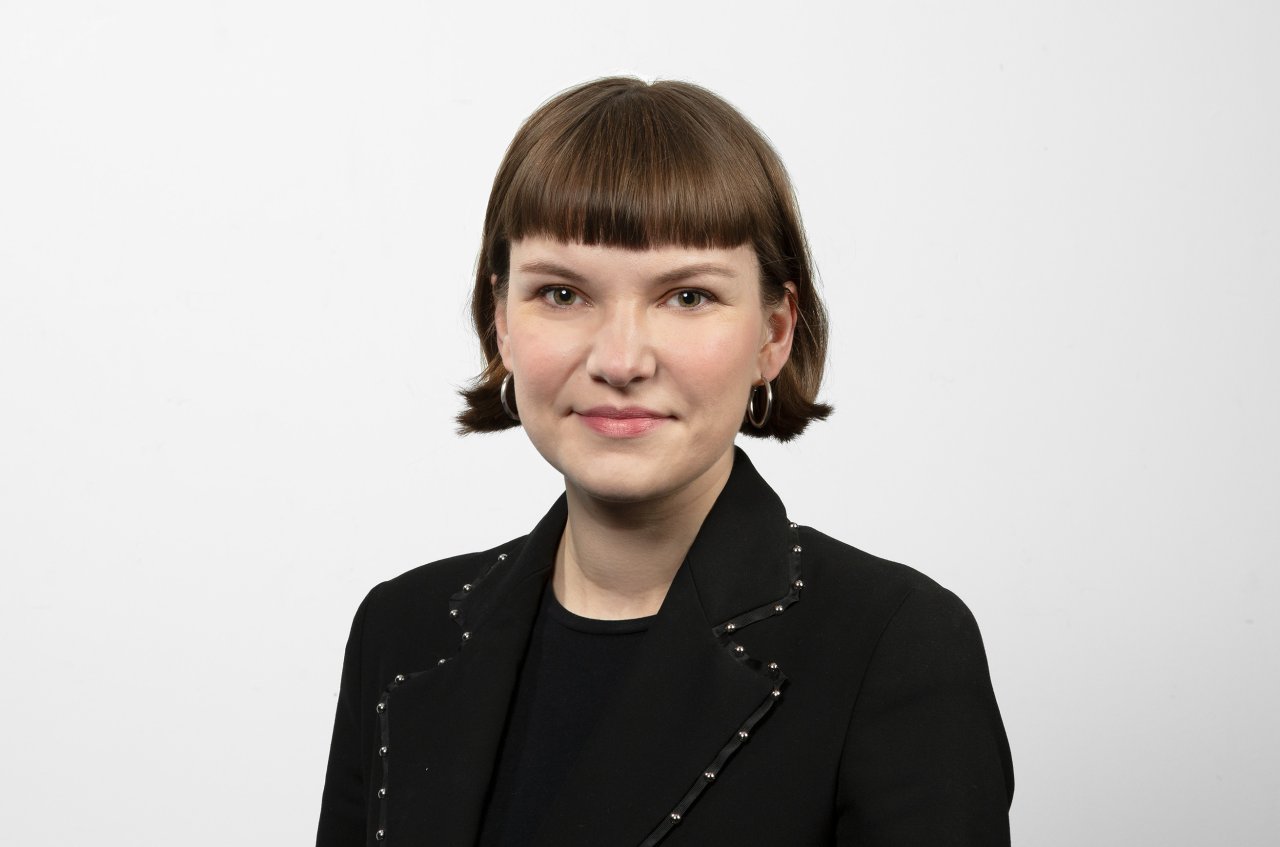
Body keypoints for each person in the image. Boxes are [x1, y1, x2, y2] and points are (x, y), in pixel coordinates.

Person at [316, 76, 1014, 847]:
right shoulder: (401, 628)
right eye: (562, 294)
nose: (620, 360)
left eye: (686, 297)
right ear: (501, 322)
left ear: (774, 333)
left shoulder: (894, 646)